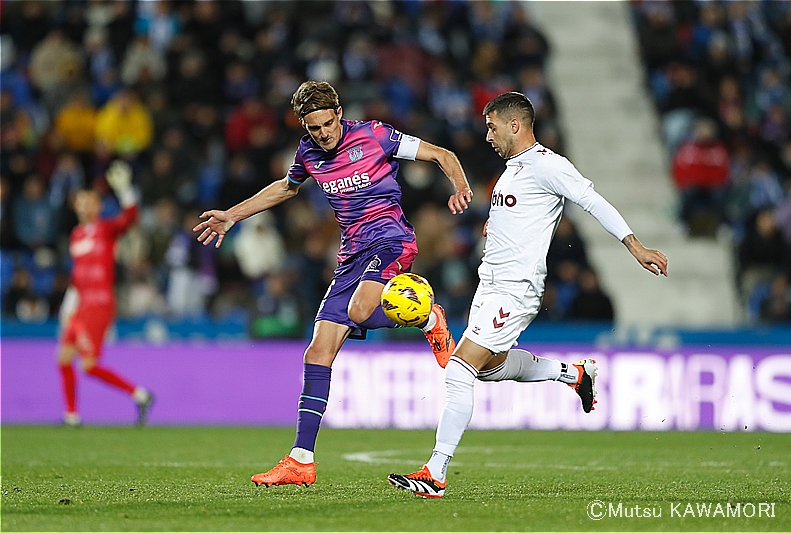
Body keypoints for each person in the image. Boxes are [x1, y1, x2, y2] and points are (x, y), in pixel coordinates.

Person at [388, 92, 668, 498]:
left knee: (460, 369)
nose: (487, 135)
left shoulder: (547, 165)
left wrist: (635, 246)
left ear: (515, 125)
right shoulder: (511, 171)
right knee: (487, 368)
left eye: (492, 126)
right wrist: (494, 229)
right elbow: (518, 216)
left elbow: (593, 201)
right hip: (491, 283)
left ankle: (435, 472)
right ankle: (574, 375)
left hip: (515, 288)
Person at [193, 80, 473, 487]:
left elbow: (441, 154)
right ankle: (301, 460)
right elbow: (286, 188)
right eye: (314, 128)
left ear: (339, 113)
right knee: (317, 352)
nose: (323, 134)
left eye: (327, 124)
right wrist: (233, 215)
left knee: (361, 310)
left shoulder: (375, 135)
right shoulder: (308, 153)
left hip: (391, 239)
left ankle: (430, 317)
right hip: (351, 256)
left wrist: (461, 186)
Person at [57, 161, 154, 427]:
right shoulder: (76, 235)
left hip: (99, 303)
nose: (86, 205)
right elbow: (77, 275)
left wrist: (125, 191)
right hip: (79, 305)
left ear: (98, 206)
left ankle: (139, 394)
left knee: (88, 365)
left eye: (91, 201)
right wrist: (68, 303)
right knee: (63, 358)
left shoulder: (106, 229)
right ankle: (72, 416)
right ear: (75, 205)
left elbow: (130, 218)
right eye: (81, 201)